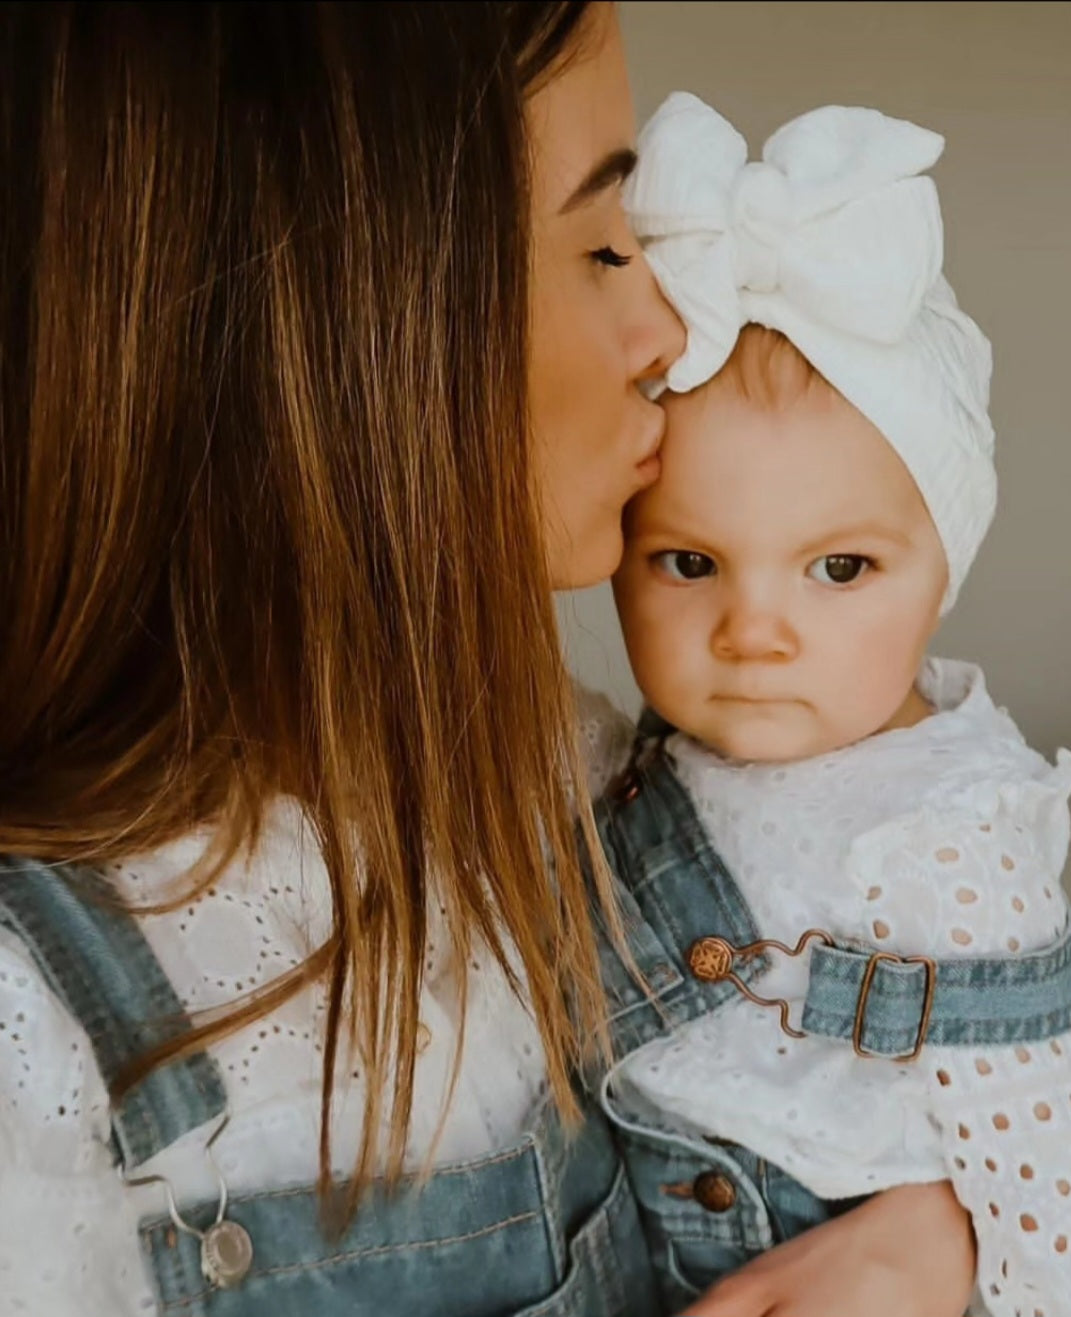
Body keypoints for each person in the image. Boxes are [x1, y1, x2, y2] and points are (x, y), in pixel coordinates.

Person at [0, 6, 976, 1315]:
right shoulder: (39, 1040)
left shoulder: (576, 786)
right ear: (358, 318)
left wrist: (925, 1232)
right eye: (604, 247)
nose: (669, 336)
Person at [583, 91, 1071, 1316]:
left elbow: (1037, 1149)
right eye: (688, 563)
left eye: (839, 569)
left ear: (939, 571)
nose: (753, 633)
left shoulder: (954, 827)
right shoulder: (637, 758)